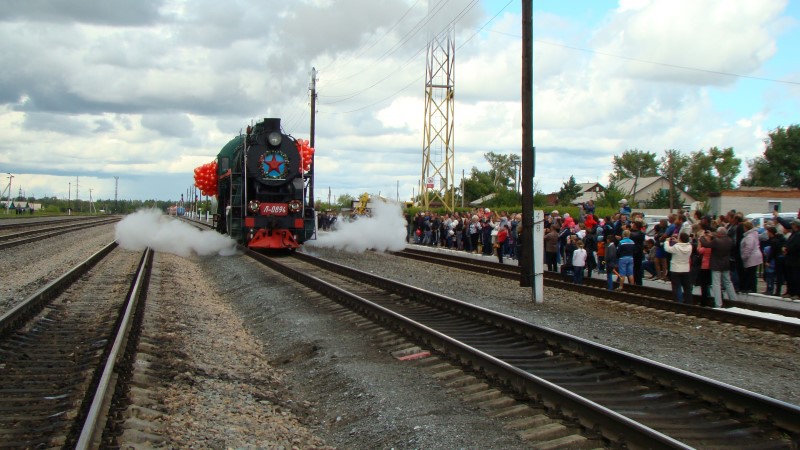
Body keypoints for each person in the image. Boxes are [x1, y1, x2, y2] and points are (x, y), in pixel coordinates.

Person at [699, 227, 737, 308]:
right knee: (728, 282)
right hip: (726, 264)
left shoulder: (716, 241)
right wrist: (712, 235)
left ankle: (718, 304)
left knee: (716, 284)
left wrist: (701, 237)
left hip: (716, 265)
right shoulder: (730, 240)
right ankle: (734, 301)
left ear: (719, 234)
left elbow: (706, 244)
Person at [663, 232, 694, 303]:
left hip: (676, 269)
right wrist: (677, 241)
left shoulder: (676, 247)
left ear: (680, 239)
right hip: (686, 269)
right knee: (687, 288)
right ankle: (689, 302)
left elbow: (667, 249)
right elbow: (683, 244)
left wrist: (667, 242)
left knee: (677, 287)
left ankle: (679, 302)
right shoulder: (690, 247)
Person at [739, 221, 763, 294]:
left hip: (751, 257)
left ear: (746, 228)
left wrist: (744, 257)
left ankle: (751, 288)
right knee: (752, 273)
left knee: (751, 274)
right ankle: (751, 288)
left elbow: (749, 247)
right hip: (754, 256)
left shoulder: (750, 236)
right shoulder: (753, 234)